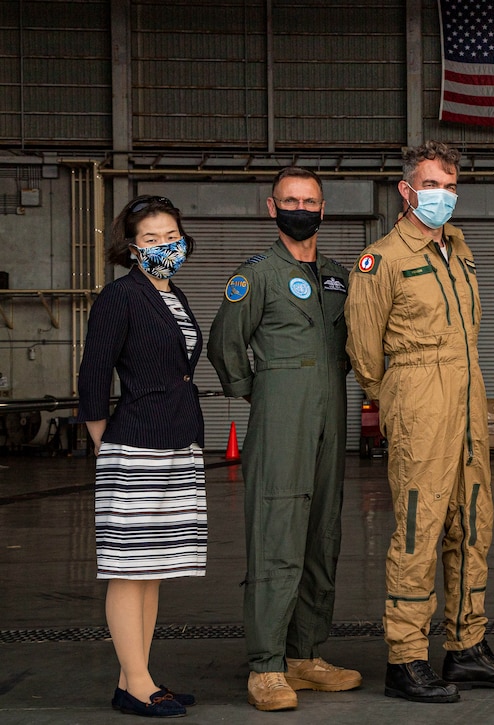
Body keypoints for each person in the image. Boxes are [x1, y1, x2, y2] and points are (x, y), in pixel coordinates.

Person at [344, 140, 494, 704]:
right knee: (418, 529)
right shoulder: (382, 259)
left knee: (472, 524)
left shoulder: (459, 252)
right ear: (406, 191)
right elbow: (364, 352)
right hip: (420, 399)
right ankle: (406, 658)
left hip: (468, 399)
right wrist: (400, 399)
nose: (442, 196)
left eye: (450, 187)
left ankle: (466, 647)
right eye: (431, 186)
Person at [208, 167, 360, 711]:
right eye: (290, 200)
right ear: (272, 208)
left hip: (330, 417)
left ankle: (304, 656)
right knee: (276, 536)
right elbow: (225, 343)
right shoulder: (257, 276)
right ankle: (266, 666)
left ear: (324, 209)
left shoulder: (339, 277)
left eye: (310, 200)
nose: (301, 209)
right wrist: (262, 391)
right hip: (280, 419)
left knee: (322, 535)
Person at [78, 195, 206, 718]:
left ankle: (135, 677)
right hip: (135, 446)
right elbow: (93, 375)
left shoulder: (173, 294)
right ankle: (136, 685)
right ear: (131, 248)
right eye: (151, 239)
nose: (164, 246)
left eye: (171, 236)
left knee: (151, 571)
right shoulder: (121, 295)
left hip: (176, 441)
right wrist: (105, 443)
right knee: (129, 572)